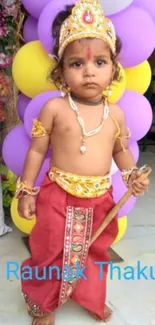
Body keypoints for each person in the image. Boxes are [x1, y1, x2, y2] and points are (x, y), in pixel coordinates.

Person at [16, 1, 150, 324]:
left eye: (99, 62)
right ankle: (43, 303)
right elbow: (36, 152)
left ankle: (89, 296)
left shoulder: (115, 114)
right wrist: (27, 190)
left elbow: (121, 152)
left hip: (99, 198)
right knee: (49, 250)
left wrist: (132, 174)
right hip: (57, 195)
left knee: (94, 253)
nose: (89, 70)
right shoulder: (54, 110)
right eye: (77, 63)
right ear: (60, 71)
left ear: (114, 68)